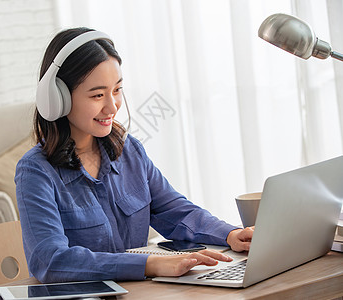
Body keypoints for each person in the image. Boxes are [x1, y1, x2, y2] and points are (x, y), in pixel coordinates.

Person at [15, 27, 253, 283]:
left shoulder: (129, 151)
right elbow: (51, 261)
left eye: (117, 90)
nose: (112, 106)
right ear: (57, 98)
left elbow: (176, 211)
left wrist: (230, 235)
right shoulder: (36, 172)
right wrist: (150, 265)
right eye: (97, 95)